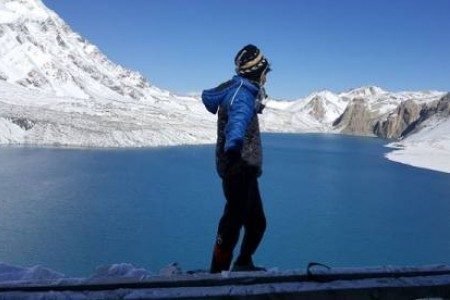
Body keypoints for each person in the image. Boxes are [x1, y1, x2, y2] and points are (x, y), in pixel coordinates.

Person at [201, 44, 271, 273]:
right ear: (256, 71)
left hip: (245, 170)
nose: (266, 78)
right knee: (232, 224)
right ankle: (217, 274)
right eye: (265, 72)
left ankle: (242, 263)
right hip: (239, 170)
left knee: (256, 223)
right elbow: (237, 125)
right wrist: (234, 152)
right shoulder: (241, 96)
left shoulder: (241, 90)